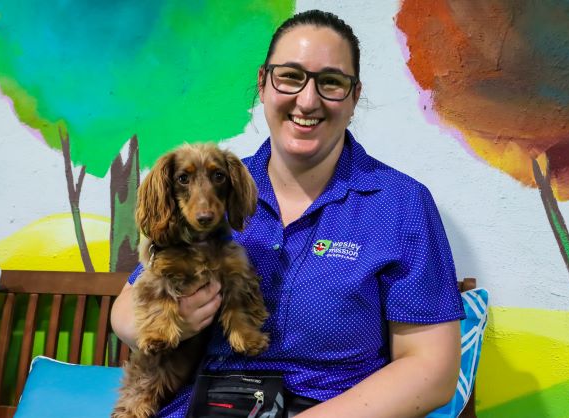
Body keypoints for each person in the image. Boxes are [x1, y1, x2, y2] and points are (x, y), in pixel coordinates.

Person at [111, 9, 465, 418]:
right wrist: (173, 323)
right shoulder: (213, 187)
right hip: (203, 405)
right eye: (291, 76)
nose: (308, 100)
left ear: (353, 97)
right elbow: (126, 311)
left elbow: (432, 370)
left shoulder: (400, 204)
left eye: (331, 82)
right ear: (263, 83)